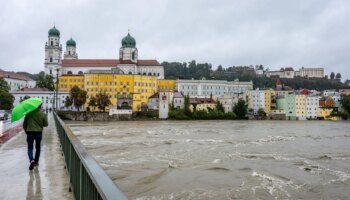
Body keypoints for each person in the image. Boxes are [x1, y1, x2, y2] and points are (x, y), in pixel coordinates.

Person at [23, 104, 48, 170]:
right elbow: (46, 124)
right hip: (38, 133)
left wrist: (27, 132)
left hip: (30, 133)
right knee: (38, 147)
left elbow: (24, 125)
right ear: (40, 107)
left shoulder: (28, 114)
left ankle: (31, 160)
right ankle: (36, 162)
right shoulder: (42, 114)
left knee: (30, 148)